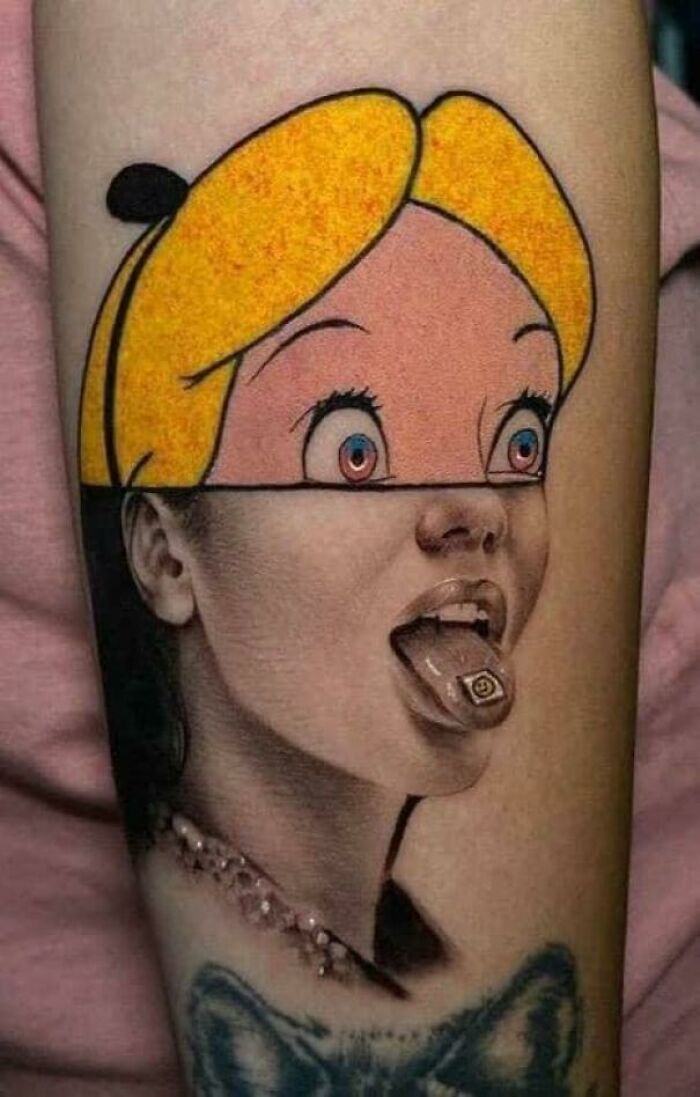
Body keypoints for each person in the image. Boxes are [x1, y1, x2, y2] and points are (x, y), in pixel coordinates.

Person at [31, 3, 658, 1092]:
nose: (478, 507)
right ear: (165, 553)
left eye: (518, 436)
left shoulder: (401, 946)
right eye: (354, 449)